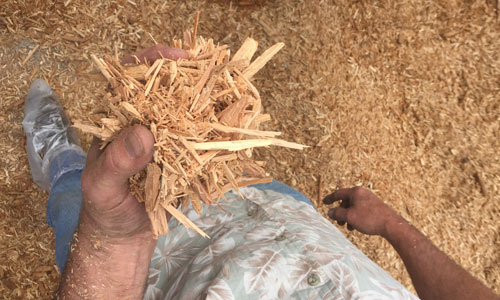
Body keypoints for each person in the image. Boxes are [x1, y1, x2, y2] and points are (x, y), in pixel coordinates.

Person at [22, 46, 499, 300]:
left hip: (152, 267)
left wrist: (115, 242)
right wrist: (396, 227)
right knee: (237, 176)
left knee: (79, 200)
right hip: (285, 219)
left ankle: (59, 162)